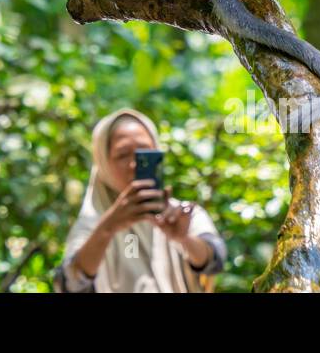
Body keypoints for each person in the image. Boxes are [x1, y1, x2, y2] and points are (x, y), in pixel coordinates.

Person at [58, 107, 226, 293]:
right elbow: (69, 284)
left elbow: (215, 260)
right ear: (103, 162)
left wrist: (183, 238)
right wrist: (109, 227)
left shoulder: (182, 214)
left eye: (144, 153)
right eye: (122, 155)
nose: (134, 164)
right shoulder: (93, 222)